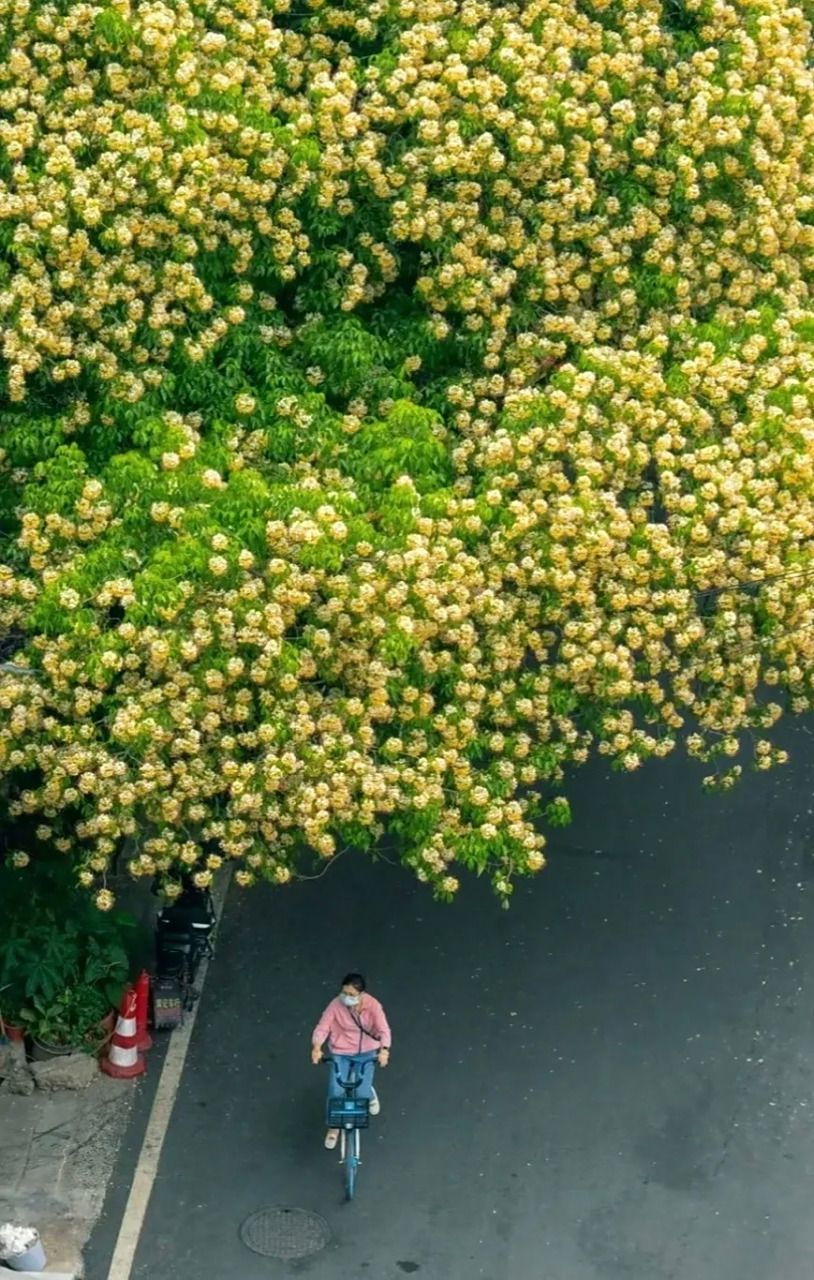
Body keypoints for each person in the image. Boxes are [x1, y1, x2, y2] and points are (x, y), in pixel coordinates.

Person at [311, 972, 392, 1149]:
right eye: (344, 993)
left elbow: (383, 1029)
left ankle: (369, 1093)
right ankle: (334, 1127)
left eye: (351, 995)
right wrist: (317, 1047)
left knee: (362, 1093)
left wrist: (384, 1050)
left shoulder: (373, 1006)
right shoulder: (335, 1005)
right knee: (335, 1091)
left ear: (361, 994)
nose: (346, 997)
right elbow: (323, 1026)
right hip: (342, 1052)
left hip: (367, 1052)